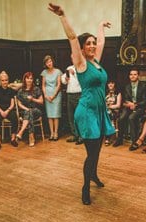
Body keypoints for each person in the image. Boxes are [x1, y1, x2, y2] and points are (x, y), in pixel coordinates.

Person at [48, 3, 112, 205]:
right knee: (91, 153)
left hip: (100, 111)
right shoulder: (81, 63)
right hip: (86, 113)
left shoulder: (96, 62)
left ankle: (93, 175)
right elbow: (73, 38)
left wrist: (101, 26)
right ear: (83, 49)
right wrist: (62, 15)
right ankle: (85, 187)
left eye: (94, 43)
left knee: (97, 150)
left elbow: (101, 41)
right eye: (89, 44)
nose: (93, 45)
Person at [114, 69, 146, 147]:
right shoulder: (127, 86)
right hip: (129, 107)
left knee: (131, 118)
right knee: (121, 118)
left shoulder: (143, 86)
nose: (133, 76)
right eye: (131, 74)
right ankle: (120, 139)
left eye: (135, 74)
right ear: (129, 76)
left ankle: (134, 142)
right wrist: (128, 104)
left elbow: (145, 100)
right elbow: (124, 99)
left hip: (140, 107)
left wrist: (135, 104)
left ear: (138, 76)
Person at [0, 71, 19, 151]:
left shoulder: (11, 90)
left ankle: (13, 139)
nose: (4, 82)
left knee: (14, 117)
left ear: (8, 80)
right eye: (2, 80)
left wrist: (7, 111)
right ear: (0, 81)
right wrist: (1, 111)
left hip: (8, 109)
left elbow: (12, 104)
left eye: (6, 80)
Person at [15, 72, 44, 147]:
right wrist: (26, 109)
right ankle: (31, 137)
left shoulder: (36, 89)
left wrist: (33, 99)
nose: (29, 80)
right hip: (25, 111)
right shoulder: (21, 91)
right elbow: (19, 104)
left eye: (31, 78)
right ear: (24, 79)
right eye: (27, 78)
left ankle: (21, 132)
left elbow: (41, 101)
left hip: (36, 111)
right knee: (29, 112)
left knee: (30, 111)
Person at [41, 55, 63, 140]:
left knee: (56, 115)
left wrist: (53, 96)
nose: (49, 63)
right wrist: (45, 95)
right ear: (45, 64)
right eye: (47, 62)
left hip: (56, 95)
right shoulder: (44, 72)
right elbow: (43, 85)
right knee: (50, 115)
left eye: (50, 61)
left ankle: (56, 133)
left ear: (52, 61)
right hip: (47, 94)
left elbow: (59, 85)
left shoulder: (58, 71)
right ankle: (51, 133)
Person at [61, 65, 82, 144]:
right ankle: (75, 134)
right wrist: (65, 79)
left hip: (79, 94)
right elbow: (63, 80)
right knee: (71, 116)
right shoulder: (69, 67)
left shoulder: (82, 67)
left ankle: (81, 136)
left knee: (79, 116)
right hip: (69, 94)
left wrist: (74, 74)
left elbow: (84, 80)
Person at [104, 81, 122, 146]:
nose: (110, 84)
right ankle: (107, 136)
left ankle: (110, 138)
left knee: (110, 115)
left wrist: (109, 107)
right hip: (106, 110)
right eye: (109, 83)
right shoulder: (105, 92)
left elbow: (118, 105)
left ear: (115, 84)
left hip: (115, 110)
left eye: (112, 83)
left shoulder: (118, 93)